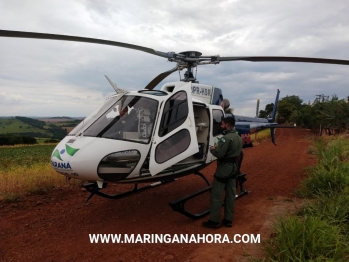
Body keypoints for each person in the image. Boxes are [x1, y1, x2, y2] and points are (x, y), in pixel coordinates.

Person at [202, 116, 243, 228]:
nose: (221, 126)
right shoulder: (237, 136)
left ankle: (214, 221)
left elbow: (220, 154)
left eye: (222, 124)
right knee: (230, 195)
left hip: (224, 168)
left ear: (227, 125)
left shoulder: (226, 138)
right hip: (234, 168)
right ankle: (228, 220)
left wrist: (212, 149)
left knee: (216, 194)